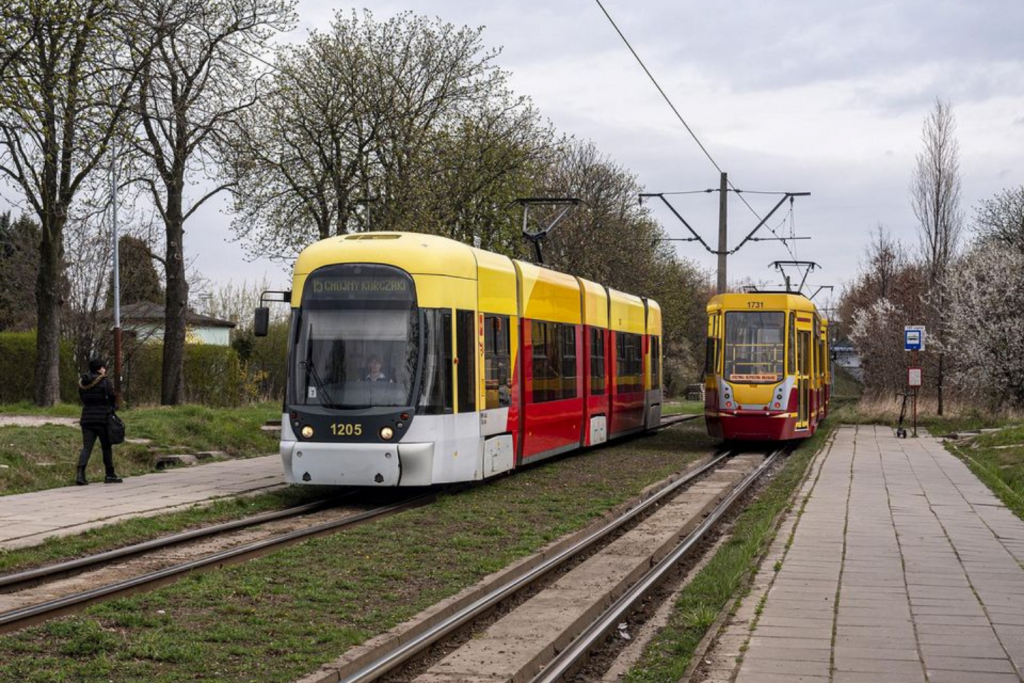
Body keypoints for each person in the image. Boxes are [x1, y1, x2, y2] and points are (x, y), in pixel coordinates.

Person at [76, 358, 122, 485]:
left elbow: (83, 398)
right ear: (99, 368)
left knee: (87, 447)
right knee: (106, 446)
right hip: (102, 418)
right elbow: (112, 397)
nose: (105, 369)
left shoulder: (82, 383)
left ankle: (80, 474)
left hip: (86, 418)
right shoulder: (105, 382)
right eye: (103, 367)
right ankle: (110, 474)